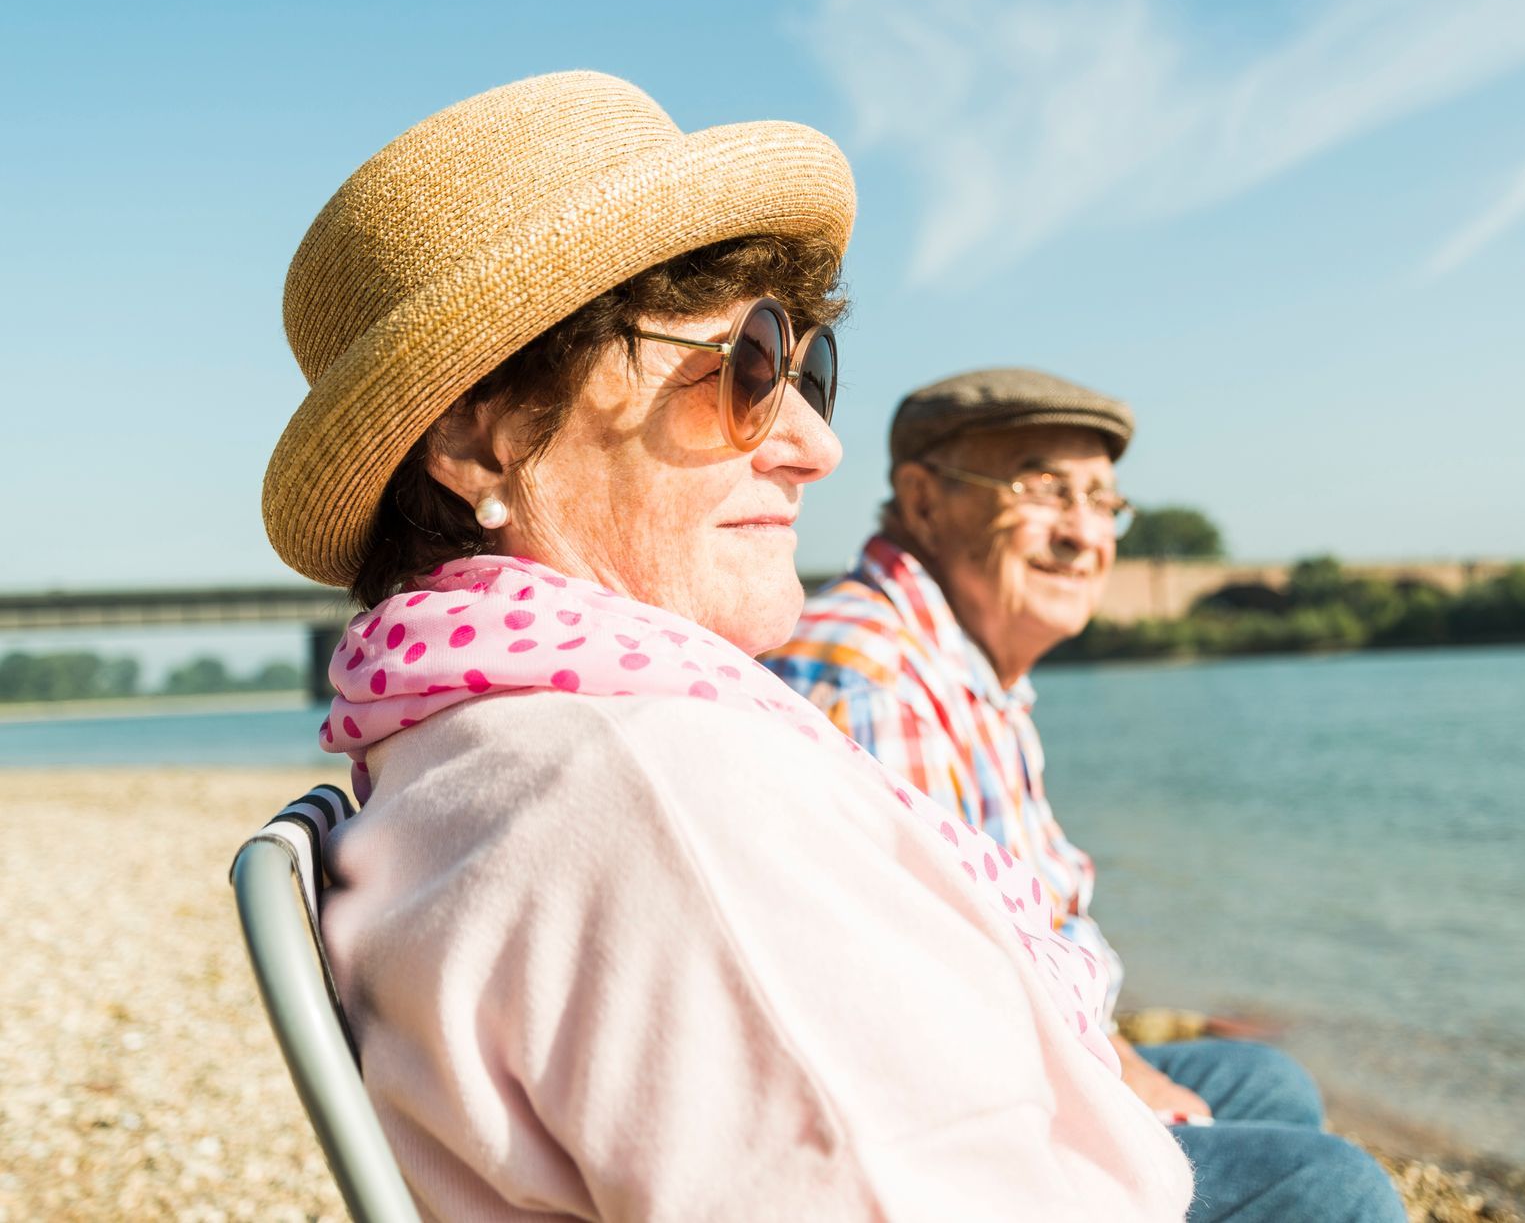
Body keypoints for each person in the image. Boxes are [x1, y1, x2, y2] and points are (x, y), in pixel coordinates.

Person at [262, 72, 1193, 1220]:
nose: (812, 444)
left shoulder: (474, 744)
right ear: (483, 435)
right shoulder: (651, 792)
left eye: (806, 371)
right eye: (747, 366)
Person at [763, 369, 1404, 1222]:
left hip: (1015, 1068)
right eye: (1043, 489)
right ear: (922, 502)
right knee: (1333, 1189)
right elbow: (929, 1019)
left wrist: (1120, 1064)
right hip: (936, 1137)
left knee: (1267, 1081)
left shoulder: (966, 665)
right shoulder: (876, 681)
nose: (1082, 534)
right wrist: (1123, 1079)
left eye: (1102, 500)